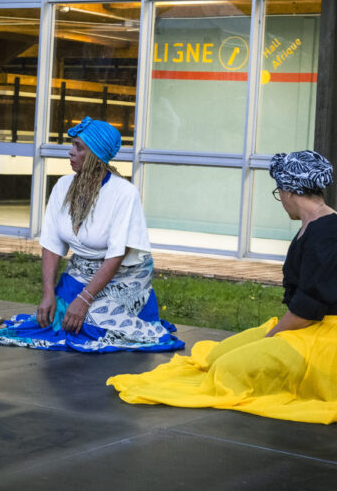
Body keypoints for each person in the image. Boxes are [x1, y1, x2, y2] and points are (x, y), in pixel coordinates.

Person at [108, 150, 337, 424]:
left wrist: (273, 336)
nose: (281, 201)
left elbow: (307, 309)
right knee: (216, 355)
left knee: (229, 369)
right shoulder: (311, 225)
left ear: (289, 191)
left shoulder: (326, 234)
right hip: (305, 326)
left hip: (321, 336)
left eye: (279, 192)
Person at [0, 117, 184, 353]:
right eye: (72, 145)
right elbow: (51, 244)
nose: (70, 152)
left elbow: (116, 255)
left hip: (123, 277)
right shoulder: (62, 186)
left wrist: (85, 299)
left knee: (93, 324)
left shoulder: (124, 193)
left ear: (95, 155)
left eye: (79, 147)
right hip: (81, 271)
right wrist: (48, 292)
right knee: (55, 321)